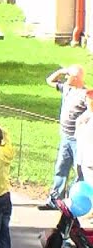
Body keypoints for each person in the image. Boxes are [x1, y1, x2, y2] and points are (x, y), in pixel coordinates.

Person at [40, 65, 88, 210]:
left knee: (80, 171)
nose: (66, 78)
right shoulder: (67, 89)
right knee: (61, 168)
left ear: (76, 78)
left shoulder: (85, 94)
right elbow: (49, 81)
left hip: (78, 140)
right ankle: (55, 200)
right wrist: (62, 71)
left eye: (69, 75)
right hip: (65, 137)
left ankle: (74, 201)